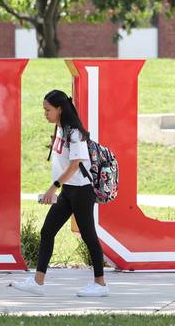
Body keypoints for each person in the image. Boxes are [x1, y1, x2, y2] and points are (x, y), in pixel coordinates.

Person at [12, 89, 109, 297]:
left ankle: (100, 284)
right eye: (44, 110)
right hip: (69, 191)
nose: (45, 113)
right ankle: (37, 282)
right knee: (47, 231)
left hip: (81, 191)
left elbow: (75, 165)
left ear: (60, 109)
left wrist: (53, 186)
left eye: (48, 110)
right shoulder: (60, 130)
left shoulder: (74, 132)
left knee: (88, 235)